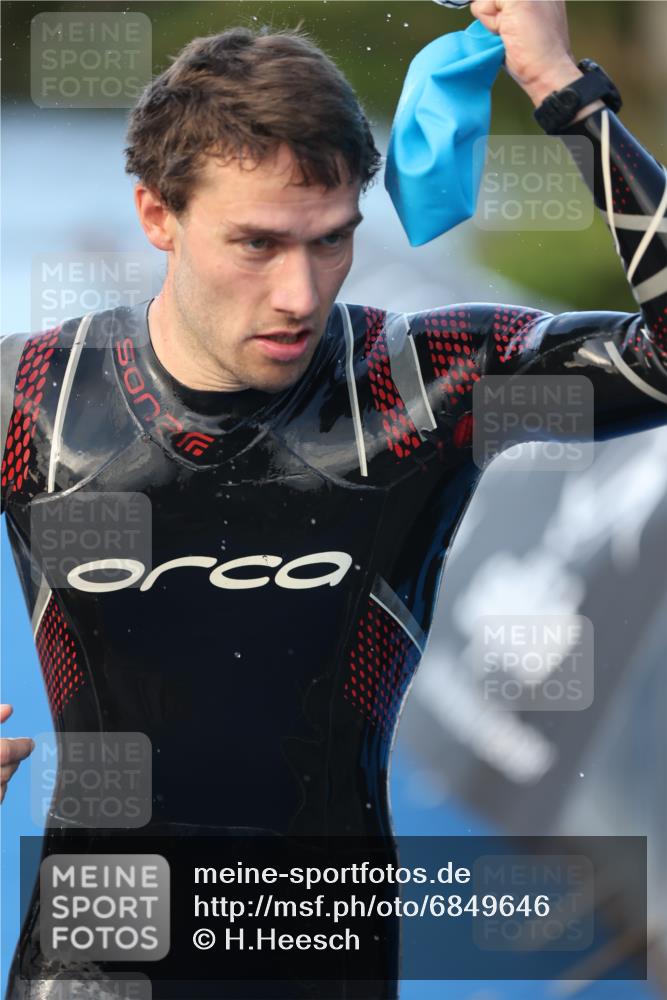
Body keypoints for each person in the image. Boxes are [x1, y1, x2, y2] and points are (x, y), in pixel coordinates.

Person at [1, 1, 666, 997]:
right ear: (156, 215)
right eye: (257, 244)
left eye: (331, 241)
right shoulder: (32, 402)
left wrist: (563, 91)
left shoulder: (427, 388)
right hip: (98, 947)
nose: (301, 296)